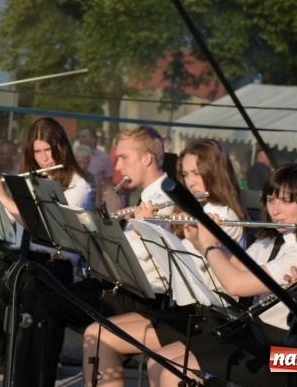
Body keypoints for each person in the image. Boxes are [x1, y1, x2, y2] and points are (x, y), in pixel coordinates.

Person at [148, 164, 297, 387]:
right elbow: (238, 267)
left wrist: (210, 245)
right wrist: (203, 240)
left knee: (174, 374)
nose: (275, 210)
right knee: (158, 361)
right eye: (271, 199)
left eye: (286, 201)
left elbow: (237, 285)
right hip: (258, 334)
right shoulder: (271, 239)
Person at [81, 138, 249, 387]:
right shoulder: (194, 209)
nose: (190, 182)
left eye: (197, 173)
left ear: (214, 173)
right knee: (95, 333)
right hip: (185, 309)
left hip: (210, 317)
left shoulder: (222, 216)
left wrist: (149, 228)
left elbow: (185, 265)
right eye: (185, 174)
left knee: (106, 338)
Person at [21, 126, 171, 387]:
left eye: (124, 157)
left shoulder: (162, 199)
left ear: (147, 158)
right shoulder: (147, 195)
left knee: (48, 303)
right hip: (121, 287)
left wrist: (111, 218)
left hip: (142, 297)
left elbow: (127, 261)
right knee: (38, 296)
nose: (118, 165)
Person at [0, 117, 92, 387]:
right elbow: (8, 223)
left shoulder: (78, 186)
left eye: (47, 151)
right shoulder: (28, 178)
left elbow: (46, 228)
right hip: (20, 258)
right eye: (37, 152)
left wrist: (6, 197)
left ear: (61, 147)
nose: (43, 159)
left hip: (52, 265)